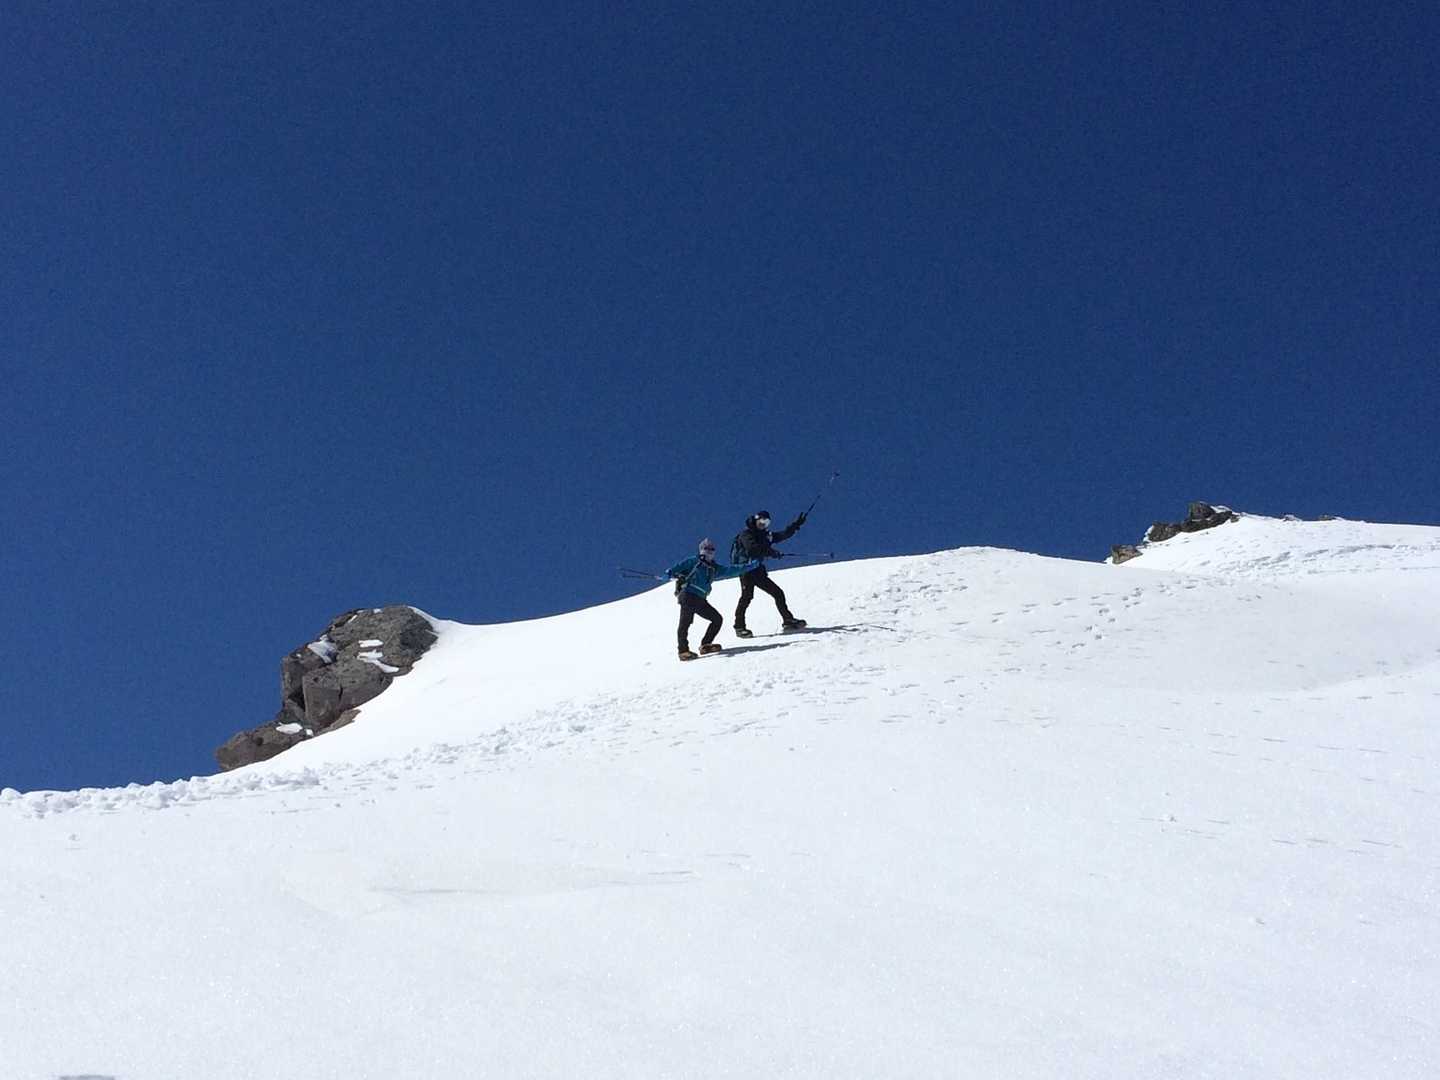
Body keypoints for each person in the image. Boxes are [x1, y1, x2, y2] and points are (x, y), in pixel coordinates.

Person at [666, 539, 759, 661]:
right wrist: (669, 573)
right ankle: (683, 651)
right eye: (706, 549)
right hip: (688, 595)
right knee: (685, 623)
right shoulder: (693, 561)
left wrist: (750, 566)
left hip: (700, 598)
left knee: (717, 619)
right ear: (701, 550)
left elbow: (731, 570)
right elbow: (677, 569)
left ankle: (706, 645)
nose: (709, 552)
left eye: (712, 549)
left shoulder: (714, 568)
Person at [731, 509, 807, 637]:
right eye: (761, 521)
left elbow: (782, 535)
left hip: (757, 570)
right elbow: (752, 549)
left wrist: (796, 525)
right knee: (747, 597)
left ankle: (788, 620)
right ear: (756, 519)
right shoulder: (746, 534)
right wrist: (772, 552)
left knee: (777, 593)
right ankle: (739, 627)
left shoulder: (765, 535)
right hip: (746, 570)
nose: (763, 524)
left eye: (766, 523)